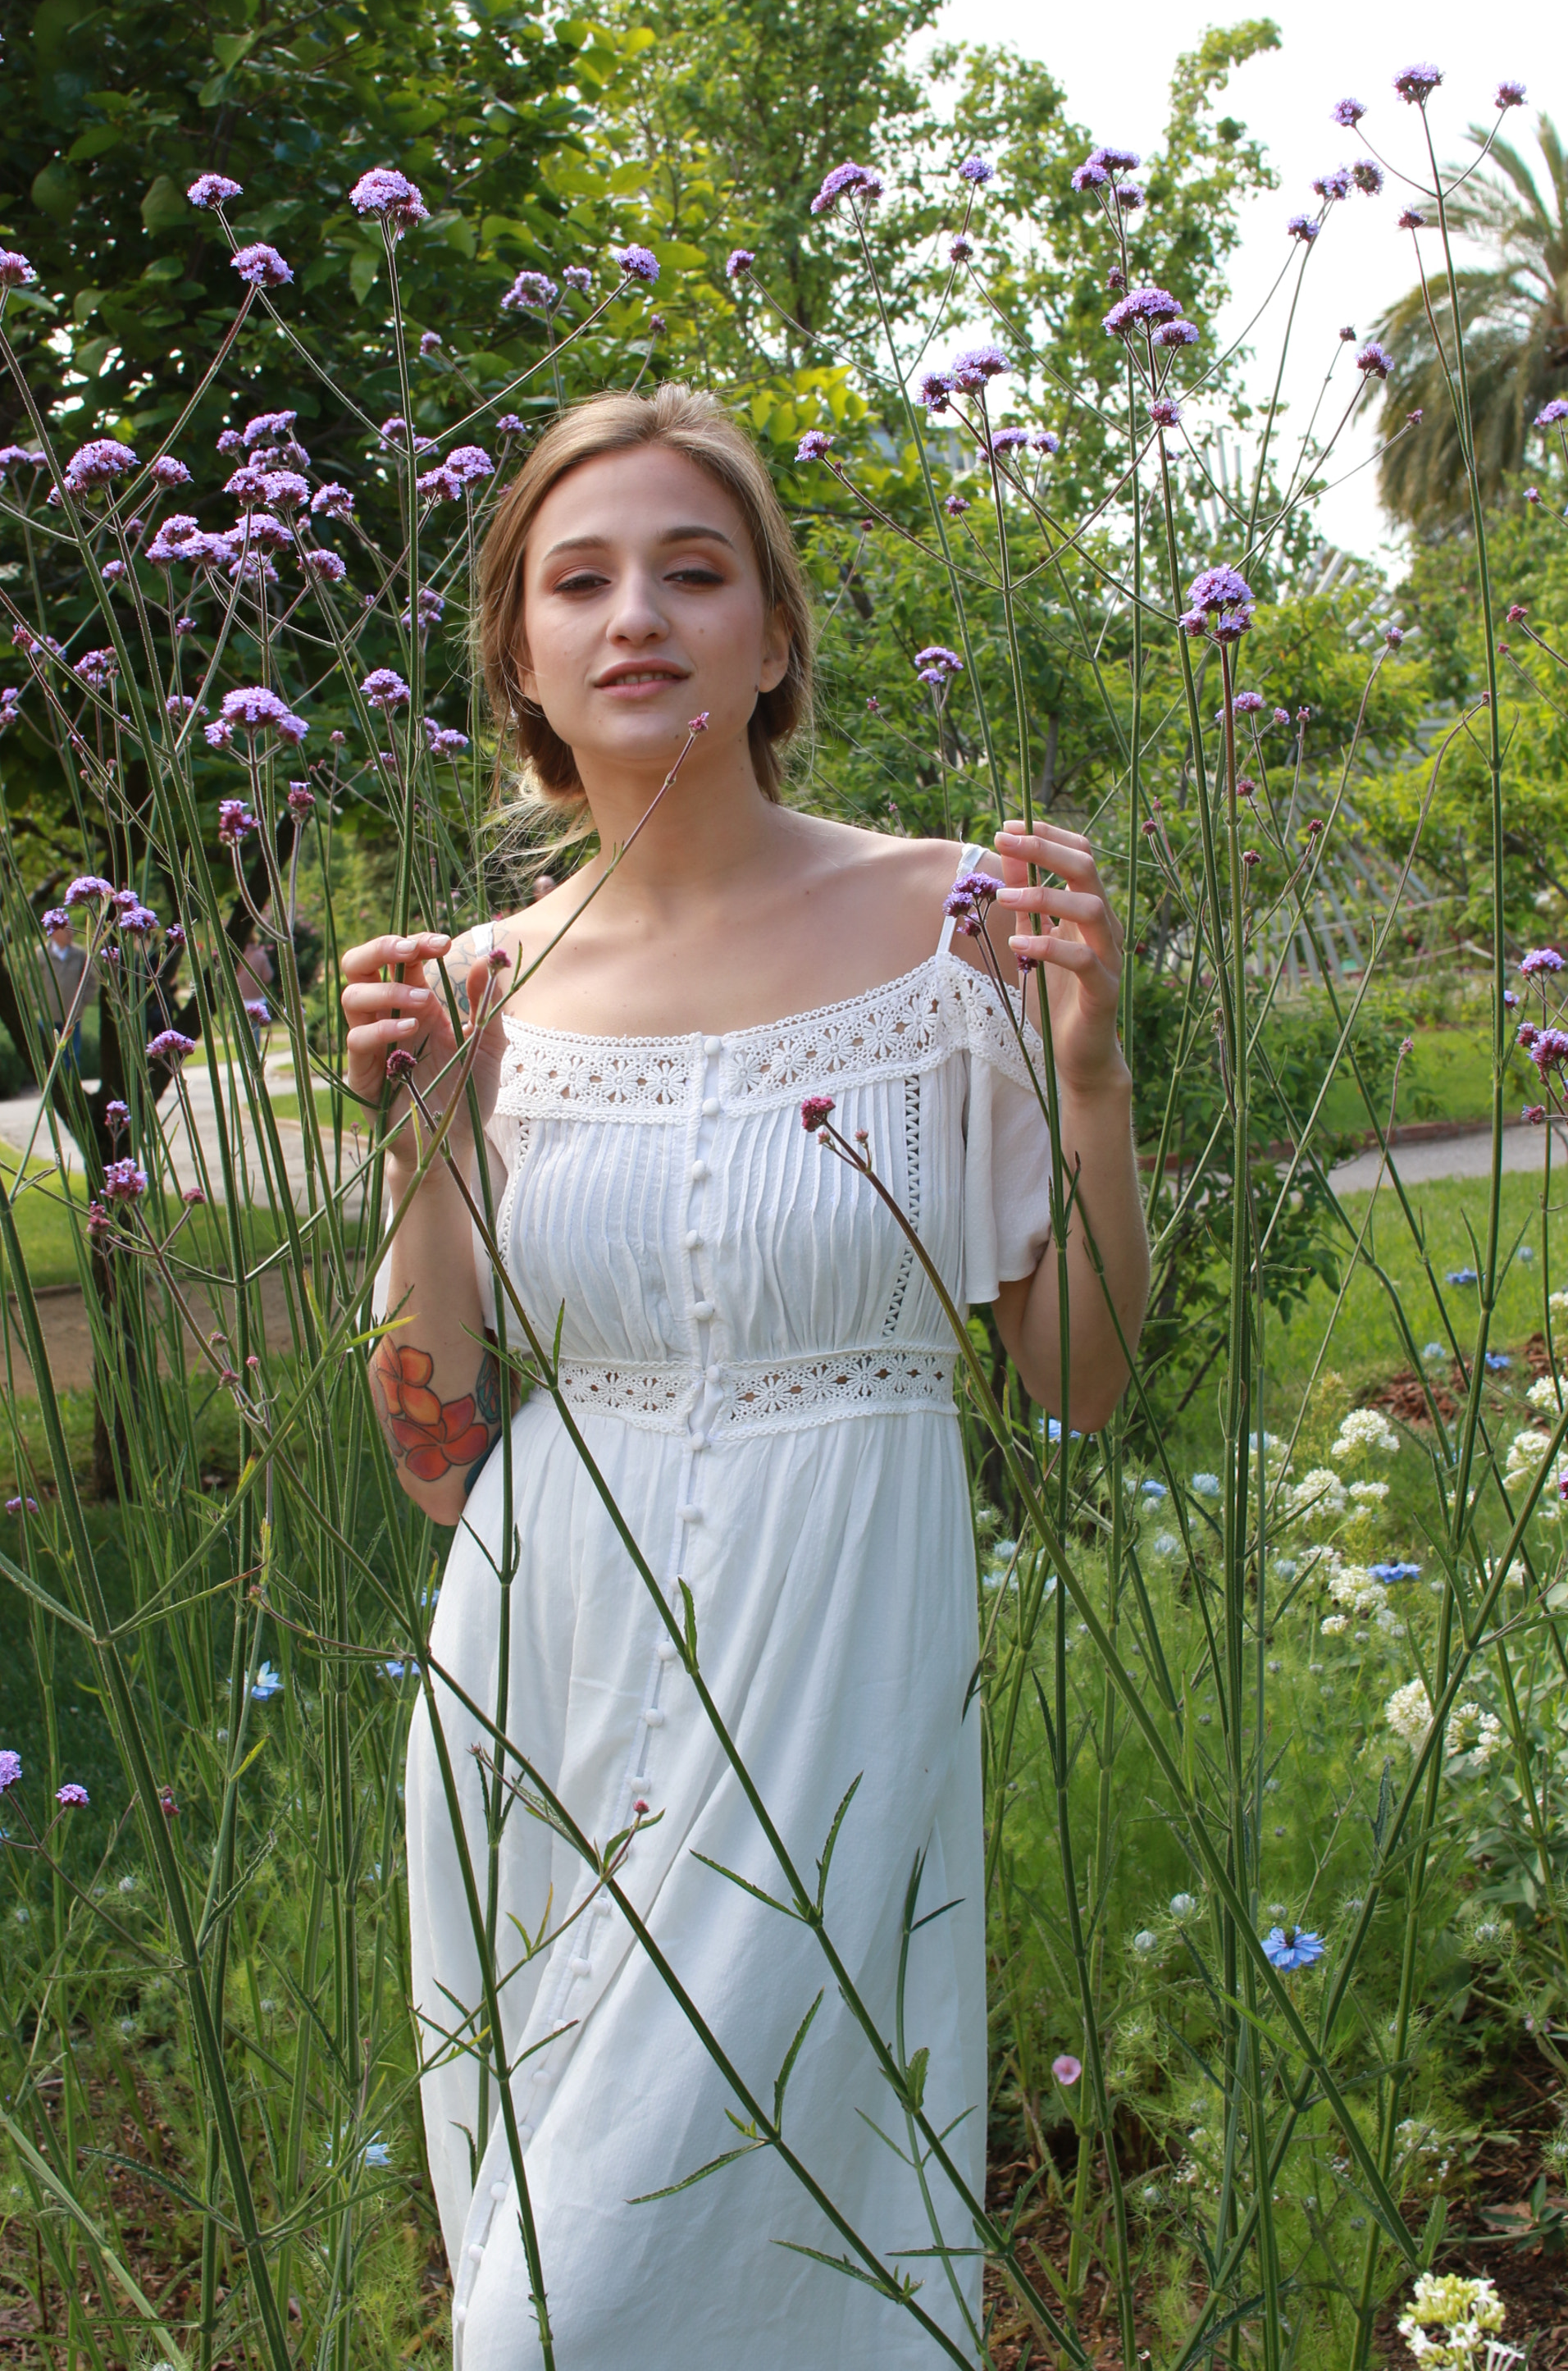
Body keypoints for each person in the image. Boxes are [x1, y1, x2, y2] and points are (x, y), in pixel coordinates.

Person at [340, 386, 1148, 2368]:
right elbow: (434, 1438)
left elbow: (1080, 1380)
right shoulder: (482, 976)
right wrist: (426, 1139)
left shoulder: (947, 921)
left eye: (693, 571)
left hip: (834, 1664)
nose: (637, 614)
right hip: (543, 1666)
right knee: (548, 2273)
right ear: (519, 658)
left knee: (703, 2272)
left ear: (773, 632)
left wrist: (1092, 1078)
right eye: (580, 578)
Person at [37, 919, 94, 1074]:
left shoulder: (80, 954)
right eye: (67, 930)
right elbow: (31, 982)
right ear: (55, 932)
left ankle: (72, 1089)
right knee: (49, 1056)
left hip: (72, 1015)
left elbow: (91, 981)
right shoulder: (41, 954)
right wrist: (38, 1004)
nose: (72, 933)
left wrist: (82, 1004)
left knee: (73, 1055)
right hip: (48, 1015)